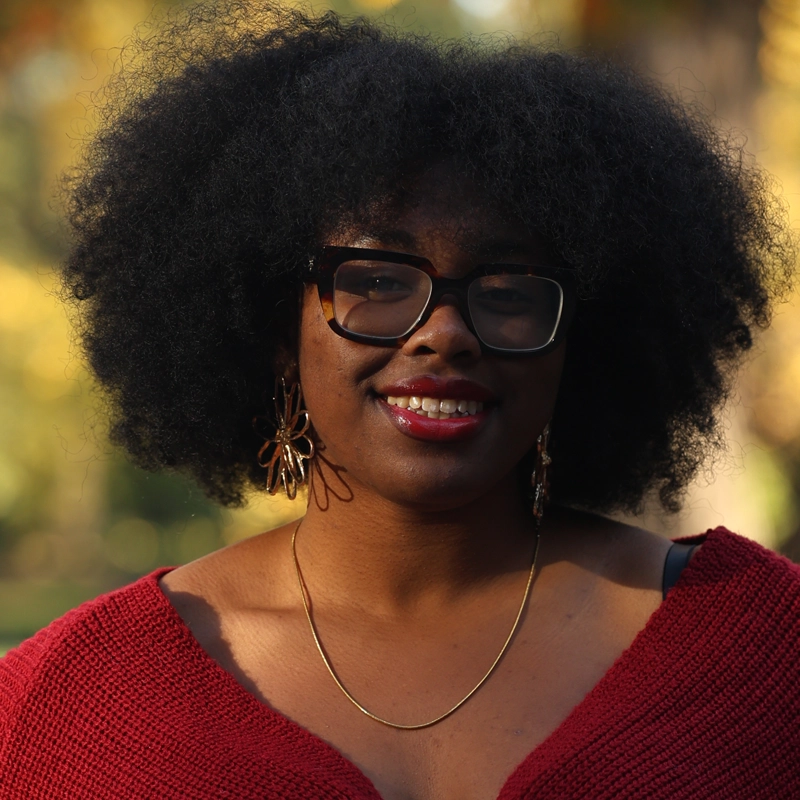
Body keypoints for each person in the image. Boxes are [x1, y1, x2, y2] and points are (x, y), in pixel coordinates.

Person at [1, 3, 799, 798]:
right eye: (378, 281)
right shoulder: (56, 707)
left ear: (583, 337)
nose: (445, 332)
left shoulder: (768, 653)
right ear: (277, 325)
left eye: (509, 288)